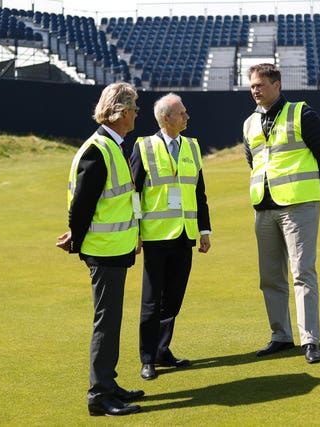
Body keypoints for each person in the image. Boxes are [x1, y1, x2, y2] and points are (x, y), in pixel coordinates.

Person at [55, 82, 144, 416]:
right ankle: (99, 395)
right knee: (106, 322)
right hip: (103, 250)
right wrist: (75, 239)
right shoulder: (99, 149)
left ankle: (109, 384)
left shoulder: (114, 145)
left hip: (115, 246)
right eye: (134, 107)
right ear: (120, 112)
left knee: (112, 319)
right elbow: (82, 205)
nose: (137, 113)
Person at [242, 63, 320, 364]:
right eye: (252, 85)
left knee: (302, 273)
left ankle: (310, 340)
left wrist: (307, 189)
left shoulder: (302, 114)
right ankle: (280, 336)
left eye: (260, 84)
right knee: (270, 278)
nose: (255, 90)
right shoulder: (249, 123)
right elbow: (254, 161)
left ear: (277, 85)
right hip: (264, 208)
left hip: (299, 207)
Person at [130, 93, 212, 381]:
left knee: (173, 299)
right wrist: (136, 231)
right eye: (182, 113)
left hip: (185, 235)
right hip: (155, 237)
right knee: (152, 301)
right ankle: (147, 358)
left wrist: (204, 230)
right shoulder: (144, 146)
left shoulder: (192, 146)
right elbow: (134, 193)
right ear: (166, 118)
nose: (187, 117)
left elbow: (199, 193)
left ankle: (162, 350)